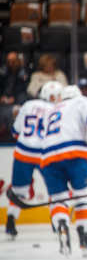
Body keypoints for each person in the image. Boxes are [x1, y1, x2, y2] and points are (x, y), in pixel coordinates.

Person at [41, 85, 87, 256]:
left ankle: (61, 224)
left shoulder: (52, 109)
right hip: (74, 153)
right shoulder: (81, 101)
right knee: (82, 195)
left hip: (47, 157)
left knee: (58, 199)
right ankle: (84, 237)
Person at [5, 81, 63, 240]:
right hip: (46, 154)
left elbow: (16, 132)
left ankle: (11, 221)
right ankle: (57, 222)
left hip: (23, 152)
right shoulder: (58, 109)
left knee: (19, 191)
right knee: (56, 190)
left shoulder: (28, 105)